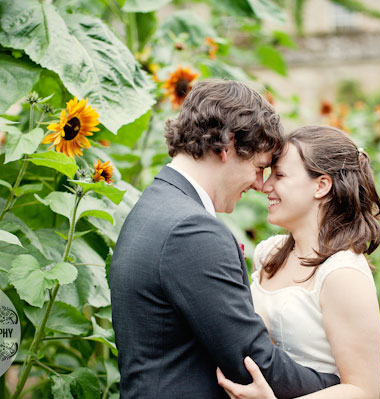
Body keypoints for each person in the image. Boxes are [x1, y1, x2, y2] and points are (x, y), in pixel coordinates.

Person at [110, 81, 340, 399]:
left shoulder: (154, 205)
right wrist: (338, 387)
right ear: (228, 146)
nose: (261, 184)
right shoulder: (193, 231)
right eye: (259, 168)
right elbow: (251, 361)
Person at [217, 125, 380, 399]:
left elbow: (363, 391)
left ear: (321, 186)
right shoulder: (269, 254)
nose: (265, 185)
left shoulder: (342, 273)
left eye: (279, 175)